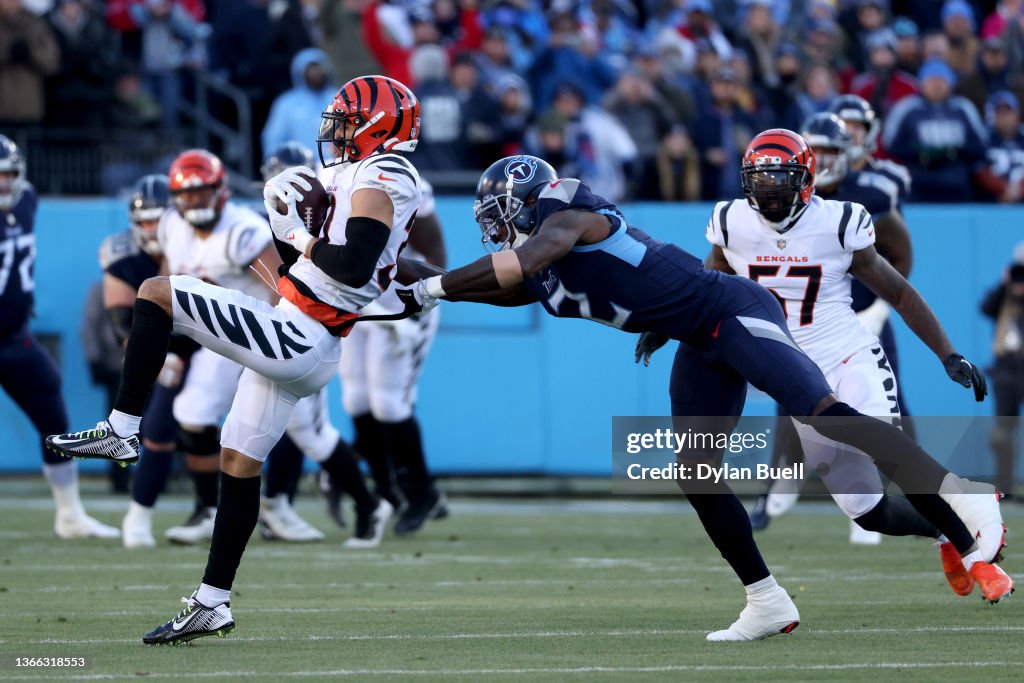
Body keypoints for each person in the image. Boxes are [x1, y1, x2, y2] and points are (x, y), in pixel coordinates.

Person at [404, 151, 1011, 640]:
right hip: (696, 336)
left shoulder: (568, 213)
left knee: (829, 417)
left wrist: (430, 287)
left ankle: (960, 502)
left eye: (502, 211)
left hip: (732, 311)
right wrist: (401, 280)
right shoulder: (543, 262)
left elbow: (521, 261)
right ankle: (767, 602)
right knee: (694, 468)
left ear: (531, 201)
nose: (495, 223)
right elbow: (510, 286)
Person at [46, 75, 422, 644]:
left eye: (347, 121)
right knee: (239, 462)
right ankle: (211, 602)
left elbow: (352, 265)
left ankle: (122, 430)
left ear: (379, 124)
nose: (336, 132)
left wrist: (299, 235)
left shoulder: (387, 173)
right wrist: (296, 203)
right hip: (306, 334)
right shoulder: (356, 172)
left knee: (157, 292)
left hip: (301, 333)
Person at [702, 115, 981, 581]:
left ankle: (978, 547)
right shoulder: (731, 221)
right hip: (795, 374)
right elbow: (709, 281)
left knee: (892, 448)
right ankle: (947, 535)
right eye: (760, 178)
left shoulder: (840, 220)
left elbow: (901, 292)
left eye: (780, 178)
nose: (769, 189)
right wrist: (664, 322)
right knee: (867, 511)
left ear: (804, 181)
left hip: (848, 354)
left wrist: (948, 353)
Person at [749, 112, 915, 538]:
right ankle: (777, 488)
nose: (823, 160)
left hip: (860, 319)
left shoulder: (873, 194)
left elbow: (900, 253)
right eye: (815, 151)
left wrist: (881, 306)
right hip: (806, 322)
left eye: (830, 151)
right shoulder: (772, 204)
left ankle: (903, 499)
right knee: (792, 406)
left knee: (888, 411)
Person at [0, 135, 118, 540]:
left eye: (8, 175)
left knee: (51, 407)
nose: (4, 184)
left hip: (14, 335)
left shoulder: (26, 200)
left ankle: (69, 514)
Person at [339, 172, 449, 536]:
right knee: (356, 400)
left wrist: (423, 304)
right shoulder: (334, 177)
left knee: (389, 403)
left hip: (402, 302)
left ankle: (422, 493)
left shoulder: (404, 181)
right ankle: (386, 491)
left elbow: (434, 250)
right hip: (357, 302)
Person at [981, 243, 1024, 499]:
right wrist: (1005, 283)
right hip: (1006, 370)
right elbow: (986, 308)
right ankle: (1005, 485)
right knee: (1002, 432)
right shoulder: (1002, 296)